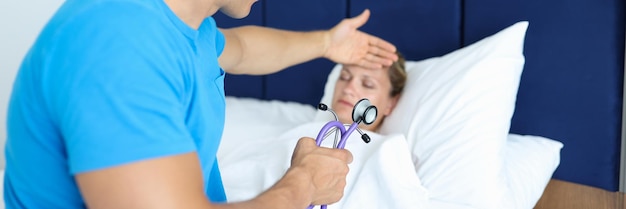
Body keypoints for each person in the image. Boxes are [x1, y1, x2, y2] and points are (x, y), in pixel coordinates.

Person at [4, 0, 398, 209]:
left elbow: (243, 49)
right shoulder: (119, 44)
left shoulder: (190, 33)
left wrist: (328, 44)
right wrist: (304, 184)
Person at [330, 52, 407, 132]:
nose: (347, 89)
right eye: (344, 77)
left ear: (391, 103)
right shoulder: (317, 129)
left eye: (367, 84)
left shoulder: (387, 144)